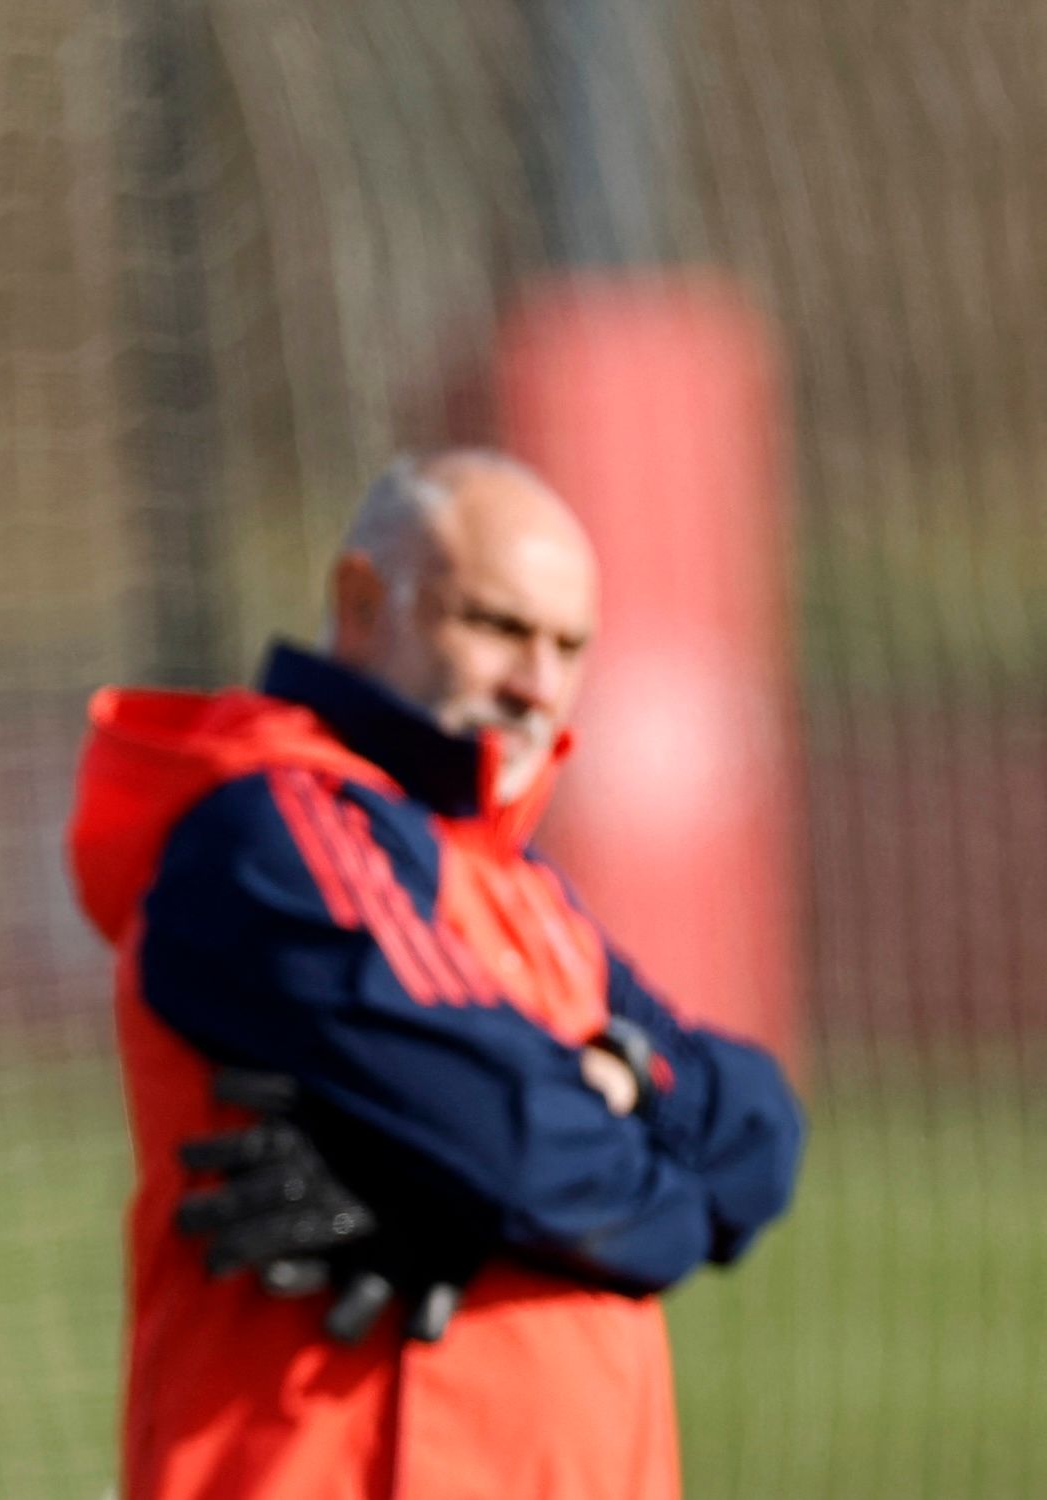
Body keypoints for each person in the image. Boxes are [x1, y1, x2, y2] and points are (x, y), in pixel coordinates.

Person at [65, 450, 806, 1499]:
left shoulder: (519, 884)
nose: (537, 685)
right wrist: (645, 1205)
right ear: (363, 603)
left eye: (568, 647)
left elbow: (764, 1128)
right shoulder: (273, 832)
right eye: (498, 628)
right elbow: (512, 1141)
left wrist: (612, 1096)